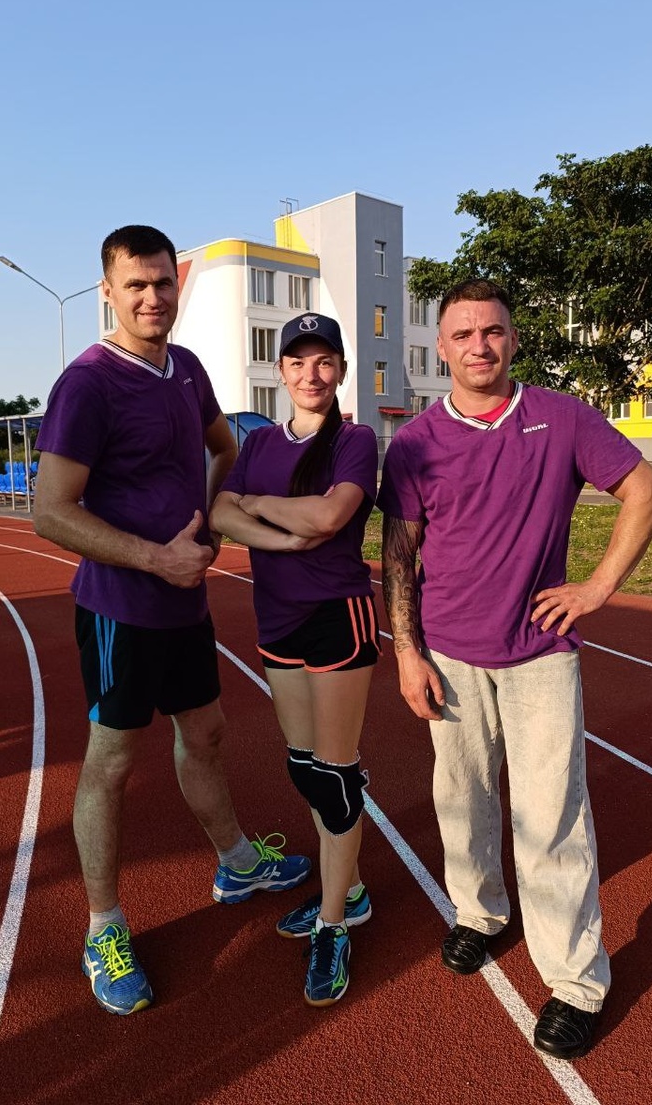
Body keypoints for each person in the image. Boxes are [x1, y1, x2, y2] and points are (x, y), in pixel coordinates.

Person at [377, 278, 652, 1060]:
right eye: (464, 334)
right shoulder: (415, 444)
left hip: (539, 655)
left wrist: (597, 587)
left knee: (553, 819)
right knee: (462, 802)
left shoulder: (563, 418)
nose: (480, 346)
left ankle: (576, 982)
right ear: (440, 349)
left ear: (513, 339)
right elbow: (399, 554)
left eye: (493, 332)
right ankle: (480, 913)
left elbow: (646, 493)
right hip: (448, 654)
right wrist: (406, 652)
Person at [33, 225, 310, 1016]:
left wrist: (211, 522)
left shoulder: (186, 369)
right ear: (108, 293)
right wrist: (157, 558)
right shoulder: (87, 385)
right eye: (136, 285)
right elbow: (51, 512)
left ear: (176, 285)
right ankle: (103, 928)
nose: (152, 297)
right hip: (122, 609)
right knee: (113, 762)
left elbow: (224, 449)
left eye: (163, 283)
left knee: (209, 733)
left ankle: (236, 863)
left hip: (184, 604)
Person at [209, 312, 380, 1007]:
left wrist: (257, 506)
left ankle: (335, 922)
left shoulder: (356, 440)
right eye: (298, 362)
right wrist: (279, 535)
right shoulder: (258, 444)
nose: (312, 374)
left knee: (335, 777)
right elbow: (220, 515)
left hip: (338, 617)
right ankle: (352, 886)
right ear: (280, 371)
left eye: (324, 361)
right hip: (277, 619)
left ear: (340, 370)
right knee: (305, 768)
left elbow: (331, 517)